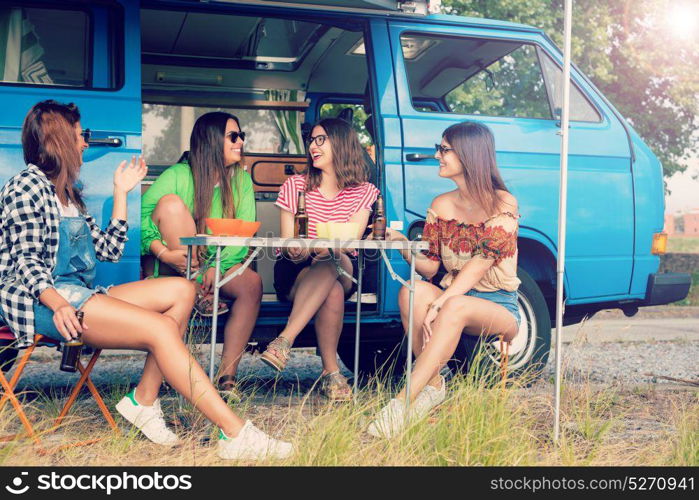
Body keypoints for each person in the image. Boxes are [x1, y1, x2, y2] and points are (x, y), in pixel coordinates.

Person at [0, 100, 291, 460]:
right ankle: (234, 433)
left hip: (78, 294)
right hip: (42, 302)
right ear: (59, 140)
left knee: (182, 290)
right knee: (160, 329)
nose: (85, 143)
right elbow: (26, 261)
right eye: (79, 136)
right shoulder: (25, 187)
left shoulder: (68, 194)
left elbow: (107, 249)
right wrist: (58, 302)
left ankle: (144, 400)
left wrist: (121, 193)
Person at [367, 121, 520, 438]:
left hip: (499, 306)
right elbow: (430, 269)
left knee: (454, 307)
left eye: (444, 149)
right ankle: (434, 385)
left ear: (468, 154)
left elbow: (481, 263)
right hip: (453, 298)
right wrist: (402, 245)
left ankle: (402, 403)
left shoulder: (503, 202)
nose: (437, 155)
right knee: (411, 291)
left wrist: (442, 302)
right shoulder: (441, 205)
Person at [140, 112, 262, 400]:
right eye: (233, 136)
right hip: (173, 266)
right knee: (169, 204)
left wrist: (215, 267)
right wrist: (162, 252)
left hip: (216, 265)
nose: (240, 141)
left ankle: (226, 378)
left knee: (252, 284)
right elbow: (143, 218)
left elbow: (242, 233)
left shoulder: (241, 181)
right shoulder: (177, 175)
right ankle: (195, 290)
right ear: (211, 141)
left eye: (241, 135)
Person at [261, 118, 379, 401]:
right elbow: (288, 239)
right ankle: (331, 373)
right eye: (312, 140)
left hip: (342, 263)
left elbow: (351, 237)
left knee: (333, 260)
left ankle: (285, 340)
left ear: (341, 143)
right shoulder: (295, 185)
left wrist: (323, 250)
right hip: (298, 270)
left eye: (321, 139)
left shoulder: (364, 191)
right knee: (333, 290)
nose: (313, 146)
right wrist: (298, 249)